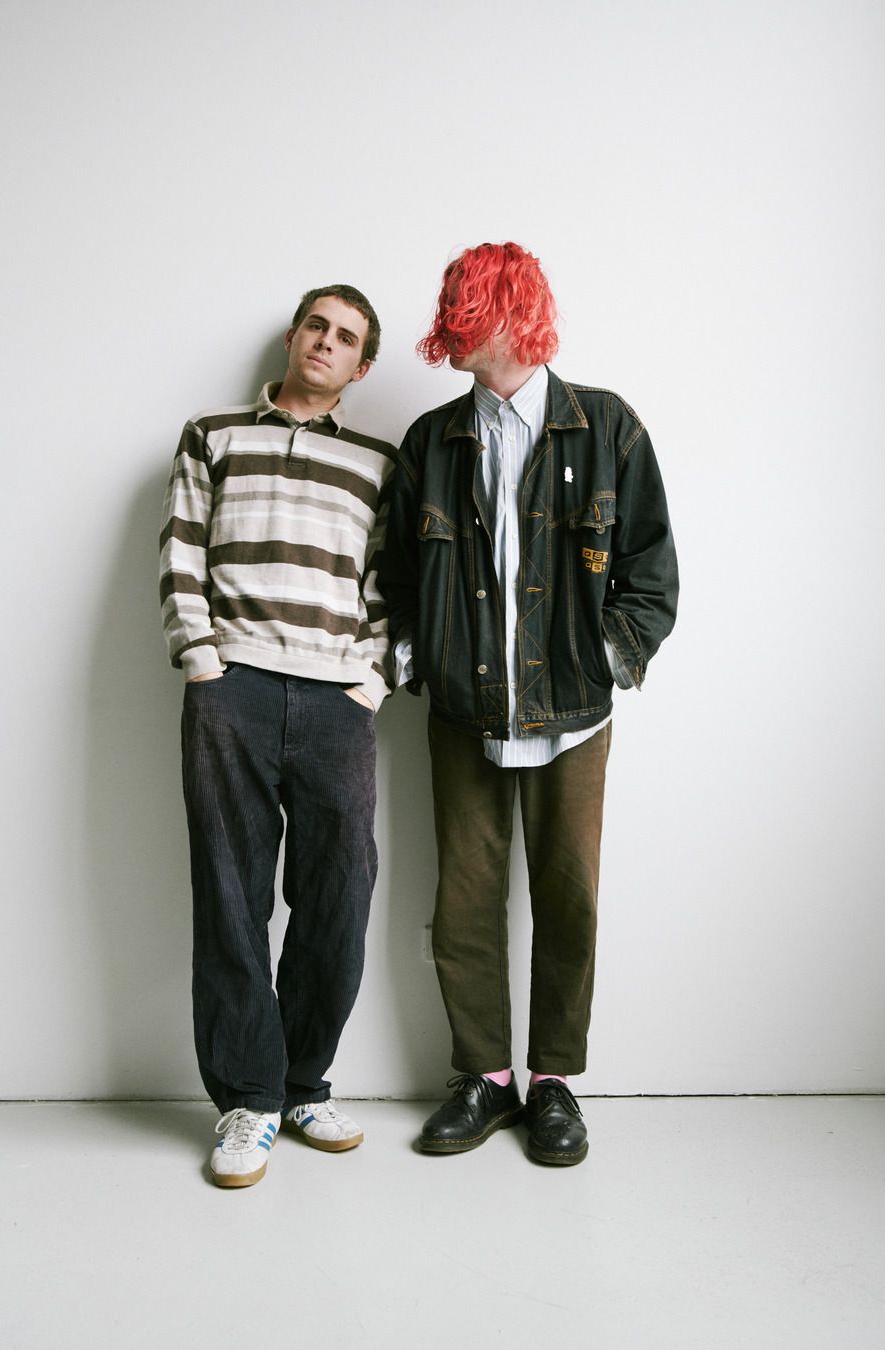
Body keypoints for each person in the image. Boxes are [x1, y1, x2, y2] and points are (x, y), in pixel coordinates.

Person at [379, 242, 678, 1166]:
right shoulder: (432, 440)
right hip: (463, 710)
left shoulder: (608, 427)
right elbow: (396, 574)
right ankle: (484, 1077)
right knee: (464, 899)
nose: (449, 331)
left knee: (569, 895)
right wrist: (417, 660)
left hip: (575, 714)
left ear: (511, 313)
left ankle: (552, 1081)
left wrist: (602, 655)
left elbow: (652, 572)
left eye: (464, 311)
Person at [160, 285, 396, 1187]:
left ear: (362, 366)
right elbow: (181, 550)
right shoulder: (213, 435)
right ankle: (248, 1100)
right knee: (231, 892)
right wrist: (203, 662)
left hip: (338, 698)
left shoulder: (378, 462)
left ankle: (302, 1084)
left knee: (342, 889)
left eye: (347, 338)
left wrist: (372, 682)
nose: (327, 343)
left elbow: (394, 582)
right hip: (235, 689)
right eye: (317, 327)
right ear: (295, 337)